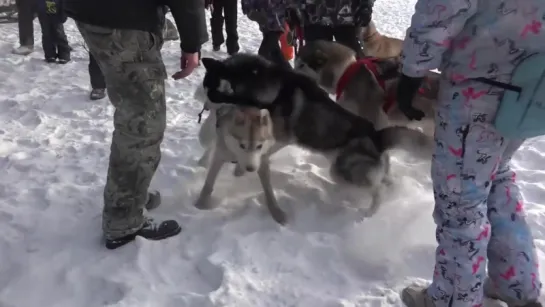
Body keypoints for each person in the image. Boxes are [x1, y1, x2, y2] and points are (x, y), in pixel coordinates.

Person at [395, 0, 544, 306]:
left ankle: (453, 299)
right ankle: (517, 284)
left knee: (461, 198)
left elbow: (444, 7)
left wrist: (412, 71)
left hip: (481, 85)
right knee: (497, 176)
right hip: (531, 89)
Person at [64, 0, 208, 249]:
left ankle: (130, 196)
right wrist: (192, 42)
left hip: (97, 13)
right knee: (142, 123)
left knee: (133, 109)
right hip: (124, 19)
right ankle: (124, 219)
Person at [301, 0, 373, 57]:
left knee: (352, 66)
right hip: (314, 17)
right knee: (314, 67)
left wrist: (366, 4)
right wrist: (293, 6)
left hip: (348, 18)